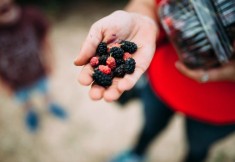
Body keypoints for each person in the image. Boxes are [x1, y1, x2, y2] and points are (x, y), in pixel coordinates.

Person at [74, 0, 235, 161]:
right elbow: (148, 3)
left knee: (198, 148)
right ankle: (136, 153)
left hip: (220, 109)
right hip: (161, 82)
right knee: (150, 127)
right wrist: (139, 17)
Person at [0, 0, 67, 132]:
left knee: (45, 90)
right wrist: (3, 84)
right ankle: (30, 112)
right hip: (14, 80)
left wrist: (51, 61)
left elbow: (45, 40)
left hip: (38, 71)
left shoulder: (31, 16)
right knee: (23, 99)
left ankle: (50, 104)